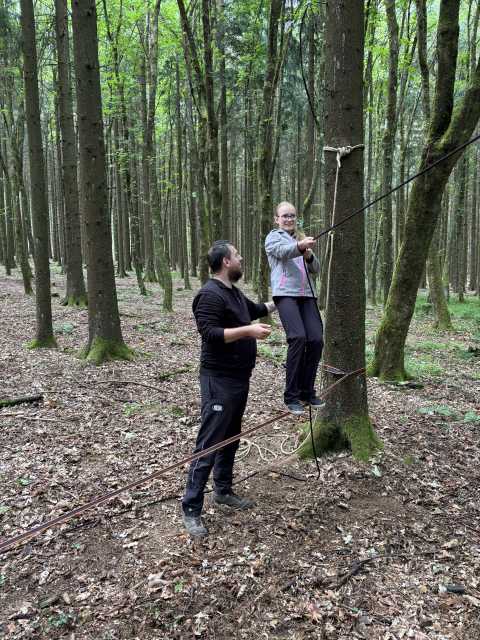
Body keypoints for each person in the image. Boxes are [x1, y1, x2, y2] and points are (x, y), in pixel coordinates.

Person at [182, 240, 274, 537]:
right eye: (237, 255)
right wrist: (248, 331)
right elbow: (209, 333)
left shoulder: (233, 292)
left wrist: (283, 299)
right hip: (218, 380)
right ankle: (191, 508)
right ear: (225, 262)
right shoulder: (209, 294)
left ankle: (222, 491)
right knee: (209, 443)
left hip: (239, 377)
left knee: (231, 437)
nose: (241, 258)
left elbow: (257, 309)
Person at [264, 201, 324, 415]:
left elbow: (316, 268)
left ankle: (307, 391)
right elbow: (282, 252)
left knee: (316, 340)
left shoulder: (301, 238)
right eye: (285, 216)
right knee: (298, 338)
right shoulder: (273, 237)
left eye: (292, 216)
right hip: (285, 294)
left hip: (307, 295)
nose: (289, 219)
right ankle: (291, 395)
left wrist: (309, 255)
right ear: (277, 219)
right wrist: (300, 247)